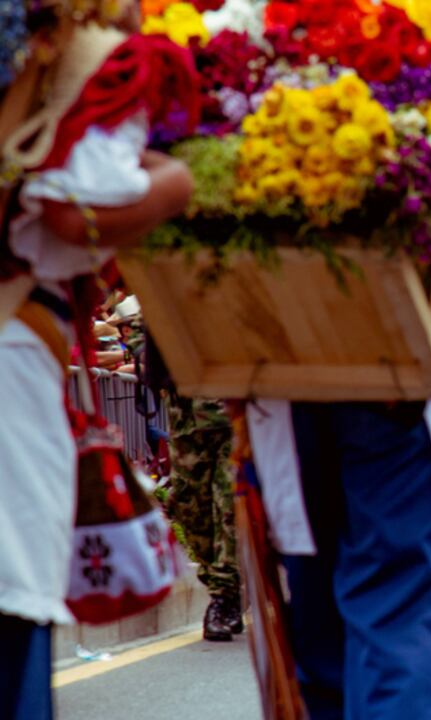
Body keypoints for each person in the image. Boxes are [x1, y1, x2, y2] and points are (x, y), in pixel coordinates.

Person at [0, 9, 195, 717]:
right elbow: (69, 211)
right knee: (15, 605)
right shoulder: (92, 62)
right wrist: (174, 184)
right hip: (14, 361)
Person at [162, 396, 242, 641]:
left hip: (233, 415)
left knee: (229, 505)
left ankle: (223, 596)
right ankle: (223, 588)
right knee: (192, 510)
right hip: (186, 421)